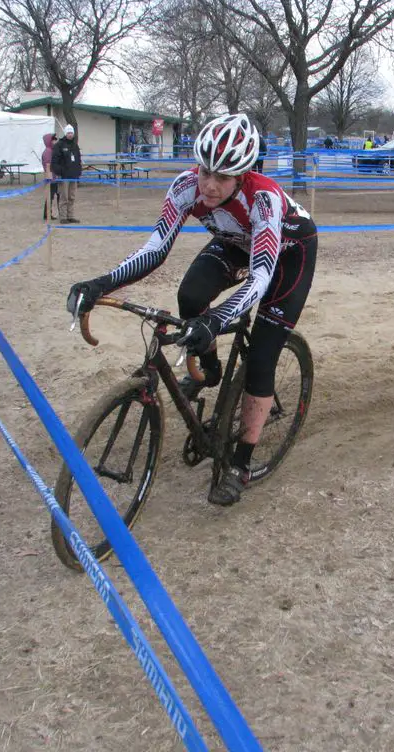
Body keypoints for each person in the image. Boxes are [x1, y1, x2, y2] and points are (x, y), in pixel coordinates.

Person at [66, 113, 318, 507]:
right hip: (235, 242)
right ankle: (211, 370)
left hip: (287, 256)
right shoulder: (186, 186)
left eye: (223, 177)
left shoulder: (263, 199)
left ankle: (241, 463)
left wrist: (216, 320)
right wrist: (101, 283)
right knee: (190, 297)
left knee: (262, 357)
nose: (210, 185)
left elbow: (260, 277)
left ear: (244, 175)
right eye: (205, 172)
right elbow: (154, 249)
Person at [51, 124, 82, 223]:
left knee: (72, 197)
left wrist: (78, 171)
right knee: (64, 197)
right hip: (64, 176)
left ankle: (70, 215)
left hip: (74, 176)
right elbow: (54, 161)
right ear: (65, 133)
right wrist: (60, 171)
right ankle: (63, 217)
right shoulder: (59, 145)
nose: (70, 135)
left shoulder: (75, 145)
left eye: (71, 133)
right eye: (68, 133)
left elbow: (78, 159)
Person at [42, 132, 59, 220]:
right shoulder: (48, 152)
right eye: (53, 139)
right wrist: (51, 177)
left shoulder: (52, 150)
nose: (55, 141)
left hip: (54, 177)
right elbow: (48, 165)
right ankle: (47, 214)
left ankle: (48, 213)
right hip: (51, 178)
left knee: (52, 196)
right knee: (50, 196)